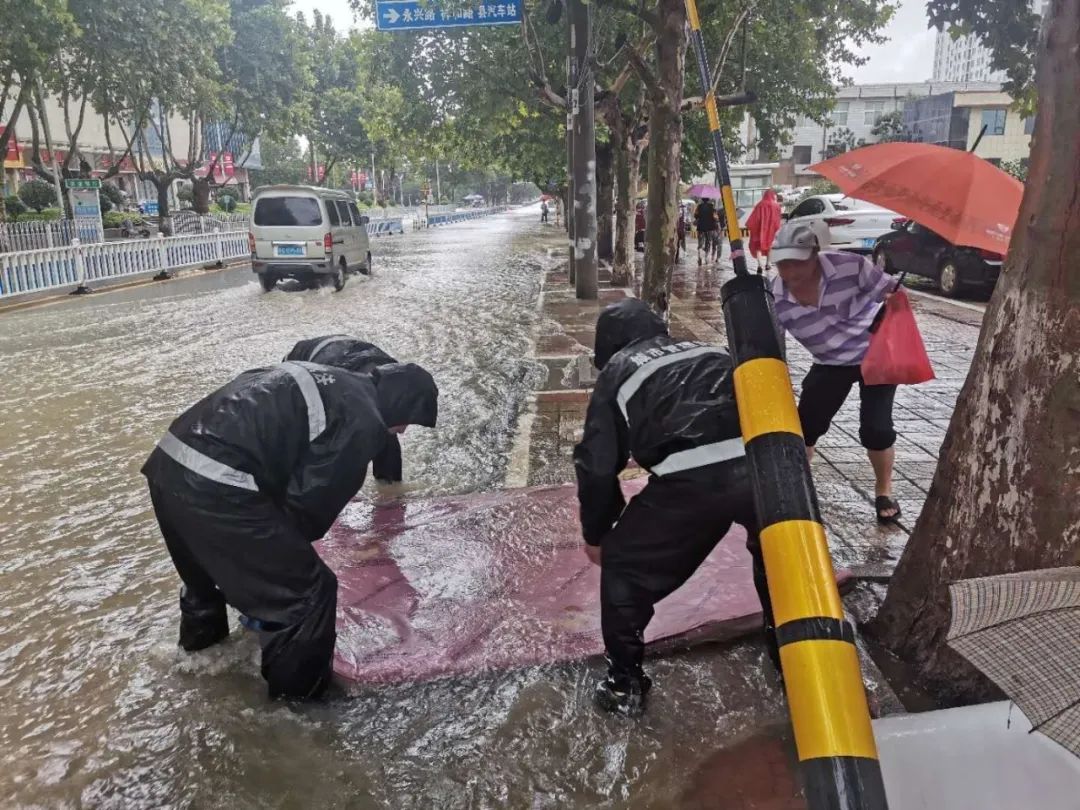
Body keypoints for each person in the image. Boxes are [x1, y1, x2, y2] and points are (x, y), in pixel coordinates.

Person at [142, 360, 438, 699]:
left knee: (206, 581)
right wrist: (277, 586)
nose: (402, 432)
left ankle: (197, 663)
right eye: (408, 422)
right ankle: (296, 710)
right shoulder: (364, 421)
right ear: (401, 403)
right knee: (309, 593)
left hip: (168, 467)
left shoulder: (335, 380)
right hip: (217, 483)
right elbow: (304, 514)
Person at [573, 299, 775, 717]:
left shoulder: (619, 369)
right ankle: (791, 649)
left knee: (624, 569)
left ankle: (623, 684)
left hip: (693, 481)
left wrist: (598, 533)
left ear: (608, 345)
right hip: (767, 466)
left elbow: (596, 464)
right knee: (778, 558)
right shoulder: (711, 349)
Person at [770, 221, 900, 523]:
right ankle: (796, 488)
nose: (789, 272)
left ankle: (884, 490)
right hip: (829, 362)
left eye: (797, 262)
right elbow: (775, 345)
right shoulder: (775, 297)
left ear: (815, 255)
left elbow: (891, 292)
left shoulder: (851, 268)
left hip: (875, 356)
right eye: (782, 263)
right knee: (805, 427)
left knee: (876, 428)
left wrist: (895, 300)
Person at [285, 336, 405, 484]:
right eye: (403, 423)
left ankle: (389, 484)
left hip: (349, 355)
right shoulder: (343, 396)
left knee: (385, 434)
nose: (403, 431)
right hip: (304, 363)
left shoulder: (397, 383)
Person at [745, 189, 783, 273]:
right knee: (770, 246)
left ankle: (759, 265)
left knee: (758, 247)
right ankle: (768, 264)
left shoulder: (760, 205)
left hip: (759, 230)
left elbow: (755, 218)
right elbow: (777, 220)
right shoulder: (776, 206)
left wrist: (751, 227)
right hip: (771, 231)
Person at [694, 198, 720, 265]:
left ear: (702, 200)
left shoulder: (699, 206)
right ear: (708, 200)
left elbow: (695, 216)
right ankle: (706, 258)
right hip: (710, 228)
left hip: (700, 227)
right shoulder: (712, 207)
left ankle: (699, 257)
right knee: (708, 243)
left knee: (700, 243)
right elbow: (716, 218)